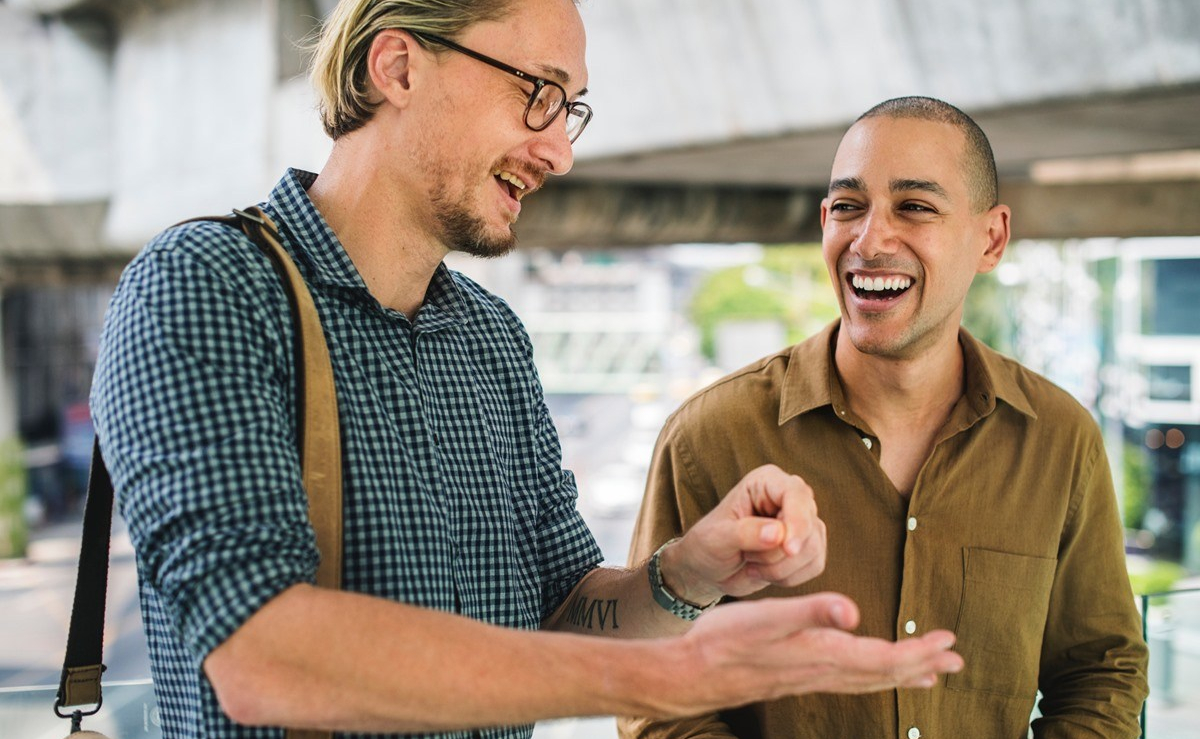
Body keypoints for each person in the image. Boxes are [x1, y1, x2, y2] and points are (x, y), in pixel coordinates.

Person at [89, 3, 965, 738]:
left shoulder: (490, 337)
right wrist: (673, 677)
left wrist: (692, 574)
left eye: (570, 110)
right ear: (398, 67)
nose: (559, 152)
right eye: (537, 92)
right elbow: (260, 655)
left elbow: (565, 606)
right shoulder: (206, 286)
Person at [621, 96, 1149, 739]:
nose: (869, 241)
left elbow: (1102, 672)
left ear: (991, 239)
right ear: (825, 222)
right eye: (848, 206)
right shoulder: (709, 435)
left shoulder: (1060, 439)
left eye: (915, 207)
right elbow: (653, 691)